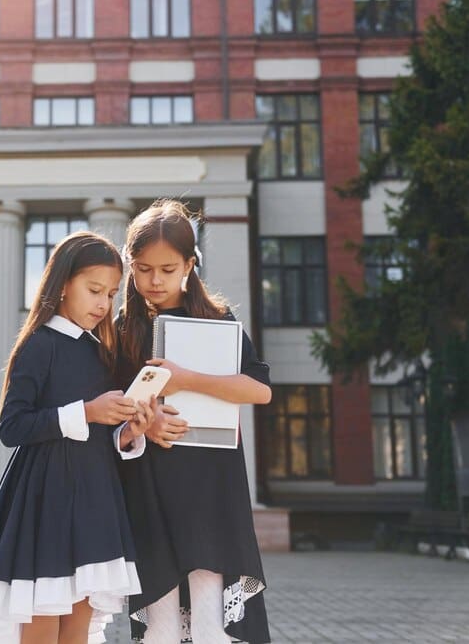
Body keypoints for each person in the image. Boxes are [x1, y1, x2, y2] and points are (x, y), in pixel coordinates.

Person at [0, 231, 154, 644]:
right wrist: (87, 412)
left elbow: (103, 434)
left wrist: (126, 433)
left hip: (94, 502)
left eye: (112, 294)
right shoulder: (38, 345)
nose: (104, 304)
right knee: (42, 627)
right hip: (45, 503)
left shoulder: (103, 351)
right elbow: (12, 426)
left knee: (77, 630)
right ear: (63, 284)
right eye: (94, 290)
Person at [116, 200, 273, 643]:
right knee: (160, 620)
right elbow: (113, 410)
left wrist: (185, 379)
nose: (155, 280)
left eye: (168, 269)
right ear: (130, 264)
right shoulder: (124, 327)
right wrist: (143, 425)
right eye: (143, 269)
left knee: (210, 620)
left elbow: (259, 389)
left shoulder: (217, 320)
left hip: (211, 480)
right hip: (152, 481)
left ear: (190, 264)